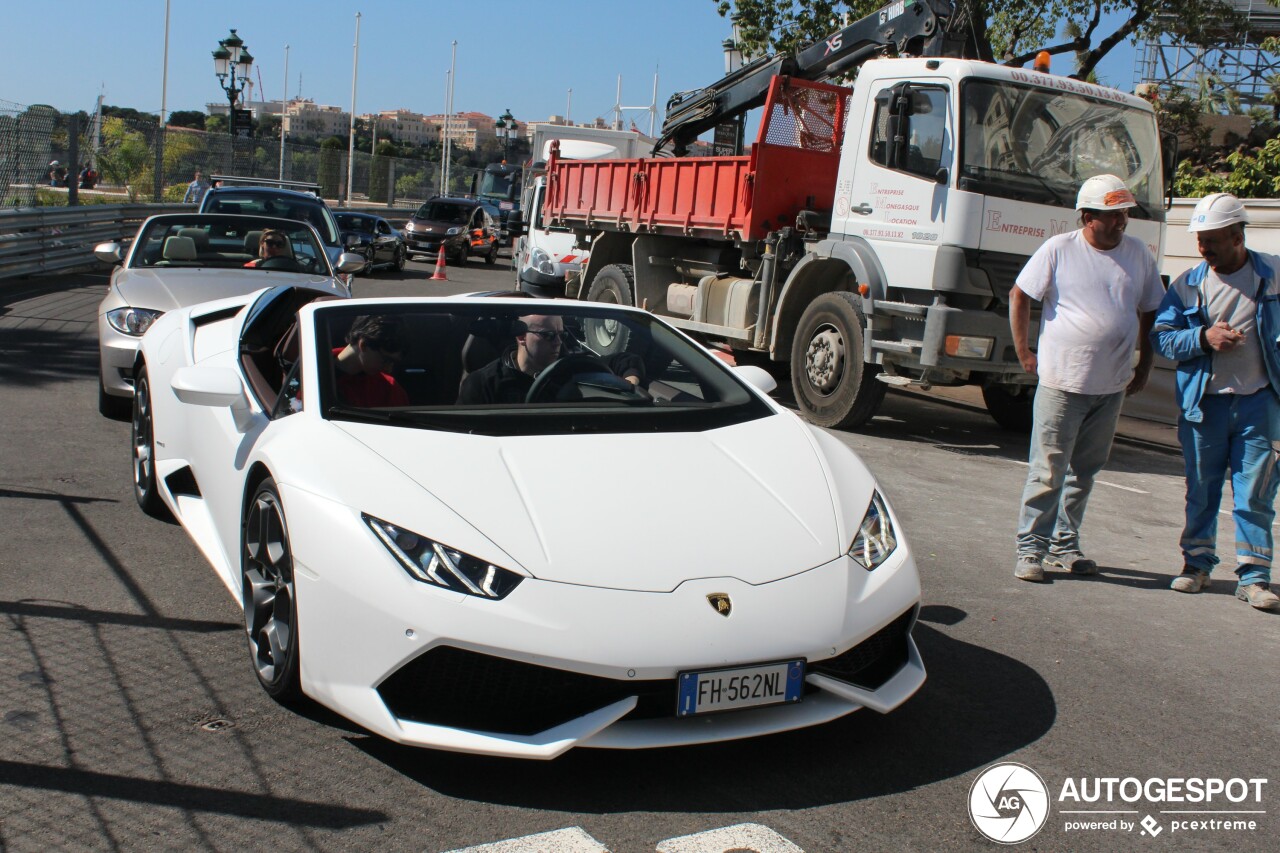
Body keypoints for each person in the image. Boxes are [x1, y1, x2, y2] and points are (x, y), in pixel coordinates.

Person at [1010, 174, 1165, 582]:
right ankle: (1030, 550)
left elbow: (1151, 311)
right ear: (1087, 216)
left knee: (1085, 472)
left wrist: (1144, 363)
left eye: (1124, 214)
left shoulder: (1139, 255)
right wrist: (1024, 350)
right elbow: (1020, 295)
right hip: (1062, 383)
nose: (1121, 222)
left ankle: (1065, 546)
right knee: (1048, 470)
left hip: (1110, 386)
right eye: (1112, 215)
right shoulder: (1059, 249)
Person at [1152, 193, 1280, 612]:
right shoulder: (1189, 284)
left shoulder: (1273, 275)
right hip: (1203, 406)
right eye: (1200, 239)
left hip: (1259, 403)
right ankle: (1196, 566)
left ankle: (1255, 578)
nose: (1203, 248)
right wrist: (1204, 339)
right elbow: (1163, 338)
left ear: (1238, 235)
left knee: (1255, 494)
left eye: (1212, 240)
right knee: (1202, 490)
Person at [458, 314, 644, 404]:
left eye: (561, 335)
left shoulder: (570, 367)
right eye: (548, 335)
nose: (557, 343)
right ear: (521, 337)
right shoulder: (483, 383)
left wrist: (629, 385)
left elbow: (626, 360)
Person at [333, 315, 410, 408]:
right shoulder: (313, 371)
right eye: (386, 360)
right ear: (363, 344)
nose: (389, 369)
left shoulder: (389, 389)